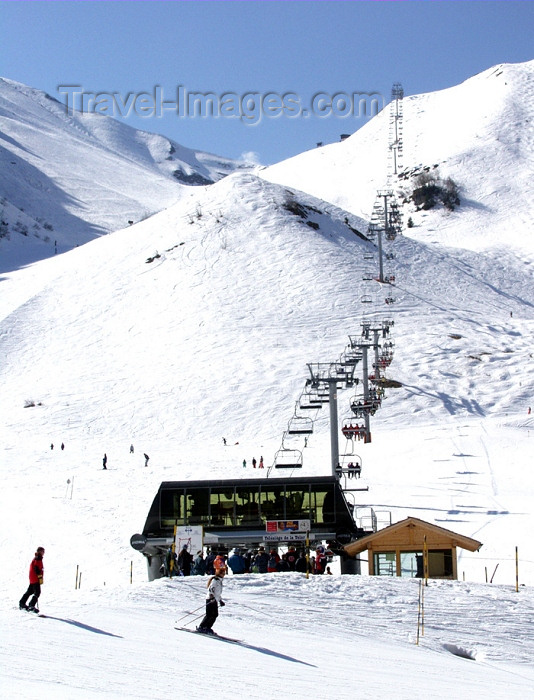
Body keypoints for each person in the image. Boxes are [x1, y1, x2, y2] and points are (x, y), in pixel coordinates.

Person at [197, 566, 226, 635]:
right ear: (219, 573)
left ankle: (207, 627)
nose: (224, 574)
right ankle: (202, 627)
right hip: (210, 599)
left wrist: (220, 601)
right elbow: (211, 589)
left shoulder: (219, 581)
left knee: (215, 614)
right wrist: (211, 597)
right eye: (223, 573)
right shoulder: (215, 580)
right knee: (209, 614)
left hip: (215, 600)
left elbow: (217, 593)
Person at [19, 547, 45, 612]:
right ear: (39, 551)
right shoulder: (38, 558)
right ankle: (31, 605)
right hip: (36, 578)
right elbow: (37, 569)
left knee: (30, 591)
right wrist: (40, 578)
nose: (43, 553)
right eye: (42, 551)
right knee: (37, 592)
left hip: (32, 578)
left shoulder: (36, 558)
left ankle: (22, 602)